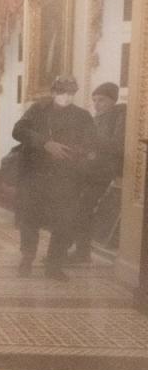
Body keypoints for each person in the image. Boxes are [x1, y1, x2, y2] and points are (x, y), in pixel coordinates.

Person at [12, 75, 96, 279]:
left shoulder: (82, 116)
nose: (65, 97)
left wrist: (77, 151)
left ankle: (54, 265)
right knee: (30, 219)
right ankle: (27, 258)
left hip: (65, 177)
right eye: (61, 93)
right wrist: (45, 144)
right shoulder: (38, 110)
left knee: (64, 222)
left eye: (70, 93)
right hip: (35, 174)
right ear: (53, 92)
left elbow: (91, 143)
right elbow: (18, 131)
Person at [68, 82, 127, 261]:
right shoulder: (97, 117)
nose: (96, 104)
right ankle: (73, 249)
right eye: (94, 100)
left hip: (104, 171)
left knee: (82, 208)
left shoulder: (120, 116)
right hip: (89, 168)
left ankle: (79, 252)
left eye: (101, 100)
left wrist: (91, 140)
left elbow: (117, 146)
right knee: (74, 206)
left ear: (112, 100)